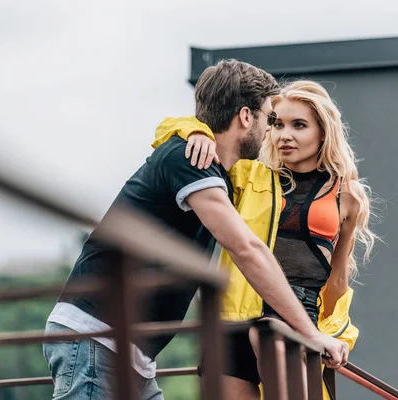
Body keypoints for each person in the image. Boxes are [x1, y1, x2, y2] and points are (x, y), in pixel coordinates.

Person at [43, 62, 349, 400]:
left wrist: (194, 129)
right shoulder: (189, 160)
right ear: (246, 117)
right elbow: (246, 248)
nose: (270, 132)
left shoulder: (210, 166)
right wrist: (310, 332)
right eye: (268, 118)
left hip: (130, 354)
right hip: (96, 337)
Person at [153, 79, 377, 399]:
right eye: (277, 123)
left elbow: (338, 278)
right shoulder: (248, 175)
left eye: (299, 125)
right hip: (231, 324)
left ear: (323, 131)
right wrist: (196, 132)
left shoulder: (347, 196)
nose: (284, 135)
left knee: (270, 337)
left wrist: (329, 335)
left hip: (292, 325)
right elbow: (167, 130)